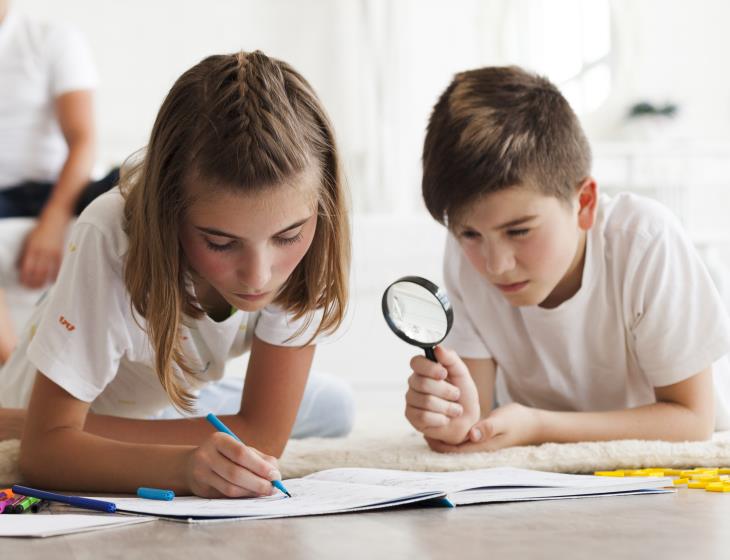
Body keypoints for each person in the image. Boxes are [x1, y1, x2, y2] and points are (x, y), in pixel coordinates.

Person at [0, 50, 353, 497]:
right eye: (221, 243)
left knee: (337, 405)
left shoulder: (311, 228)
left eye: (287, 237)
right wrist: (181, 467)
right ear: (169, 213)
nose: (259, 276)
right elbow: (44, 451)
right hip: (46, 404)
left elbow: (264, 437)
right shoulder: (108, 232)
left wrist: (219, 441)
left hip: (163, 400)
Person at [403, 65, 730, 453]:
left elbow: (692, 421)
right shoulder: (463, 256)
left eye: (519, 231)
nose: (495, 265)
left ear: (584, 204)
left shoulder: (643, 241)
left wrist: (539, 426)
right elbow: (474, 416)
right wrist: (453, 422)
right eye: (469, 234)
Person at [0, 2, 119, 363]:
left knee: (135, 183)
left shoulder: (51, 40)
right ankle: (13, 380)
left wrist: (53, 223)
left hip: (65, 183)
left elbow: (83, 139)